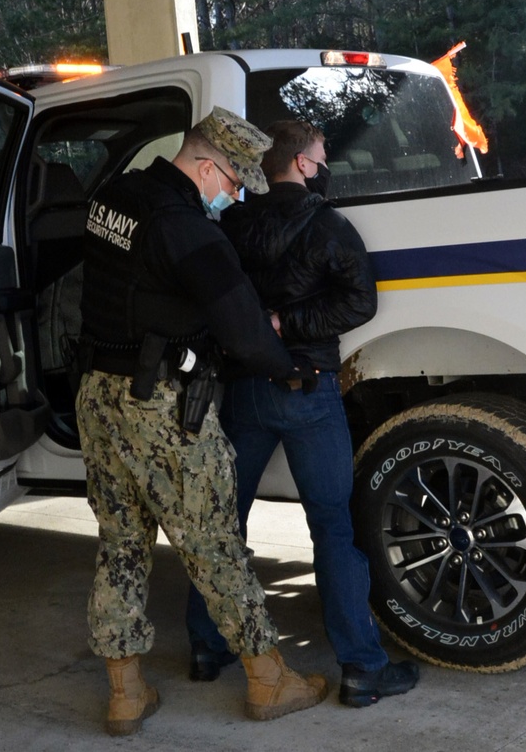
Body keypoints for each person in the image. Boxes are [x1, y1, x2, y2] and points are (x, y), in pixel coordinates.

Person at [76, 107, 328, 736]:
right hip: (162, 407)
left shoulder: (116, 198)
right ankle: (270, 681)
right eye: (235, 182)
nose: (236, 195)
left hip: (98, 398)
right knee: (213, 543)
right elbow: (244, 331)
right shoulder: (188, 229)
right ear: (207, 165)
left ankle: (125, 693)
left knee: (121, 543)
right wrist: (290, 369)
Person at [184, 119, 420, 707]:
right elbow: (358, 302)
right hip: (308, 391)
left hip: (245, 391)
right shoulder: (330, 225)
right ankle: (362, 668)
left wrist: (266, 326)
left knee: (222, 523)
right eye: (320, 158)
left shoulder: (231, 223)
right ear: (301, 165)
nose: (324, 168)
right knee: (333, 530)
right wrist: (293, 325)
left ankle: (207, 647)